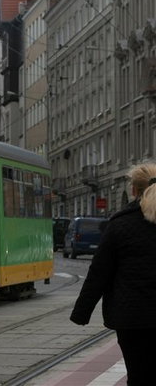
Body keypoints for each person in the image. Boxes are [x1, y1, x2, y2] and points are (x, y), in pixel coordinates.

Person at [70, 161, 156, 386]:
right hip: (135, 316)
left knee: (138, 375)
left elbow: (99, 272)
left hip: (132, 318)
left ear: (133, 190)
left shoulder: (119, 225)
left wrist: (82, 312)